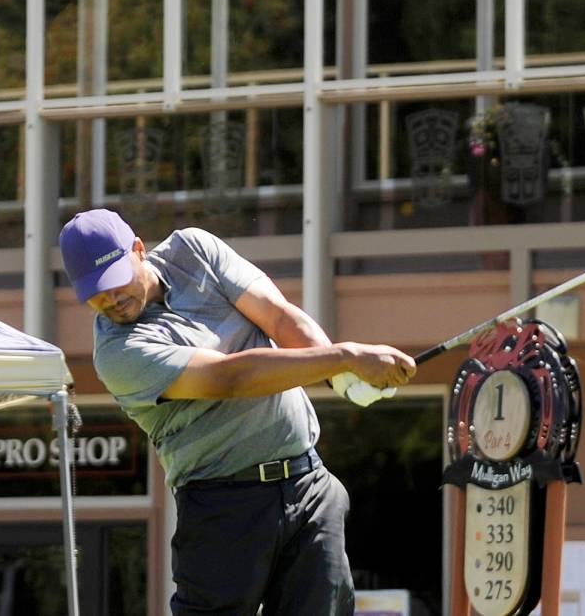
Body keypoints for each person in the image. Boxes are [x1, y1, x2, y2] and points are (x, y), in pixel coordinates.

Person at [58, 209, 416, 615]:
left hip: (308, 484)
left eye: (115, 281)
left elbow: (279, 317)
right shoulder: (118, 353)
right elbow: (230, 378)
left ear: (139, 250)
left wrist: (342, 378)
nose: (111, 299)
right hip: (222, 507)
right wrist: (345, 357)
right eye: (95, 293)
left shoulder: (193, 249)